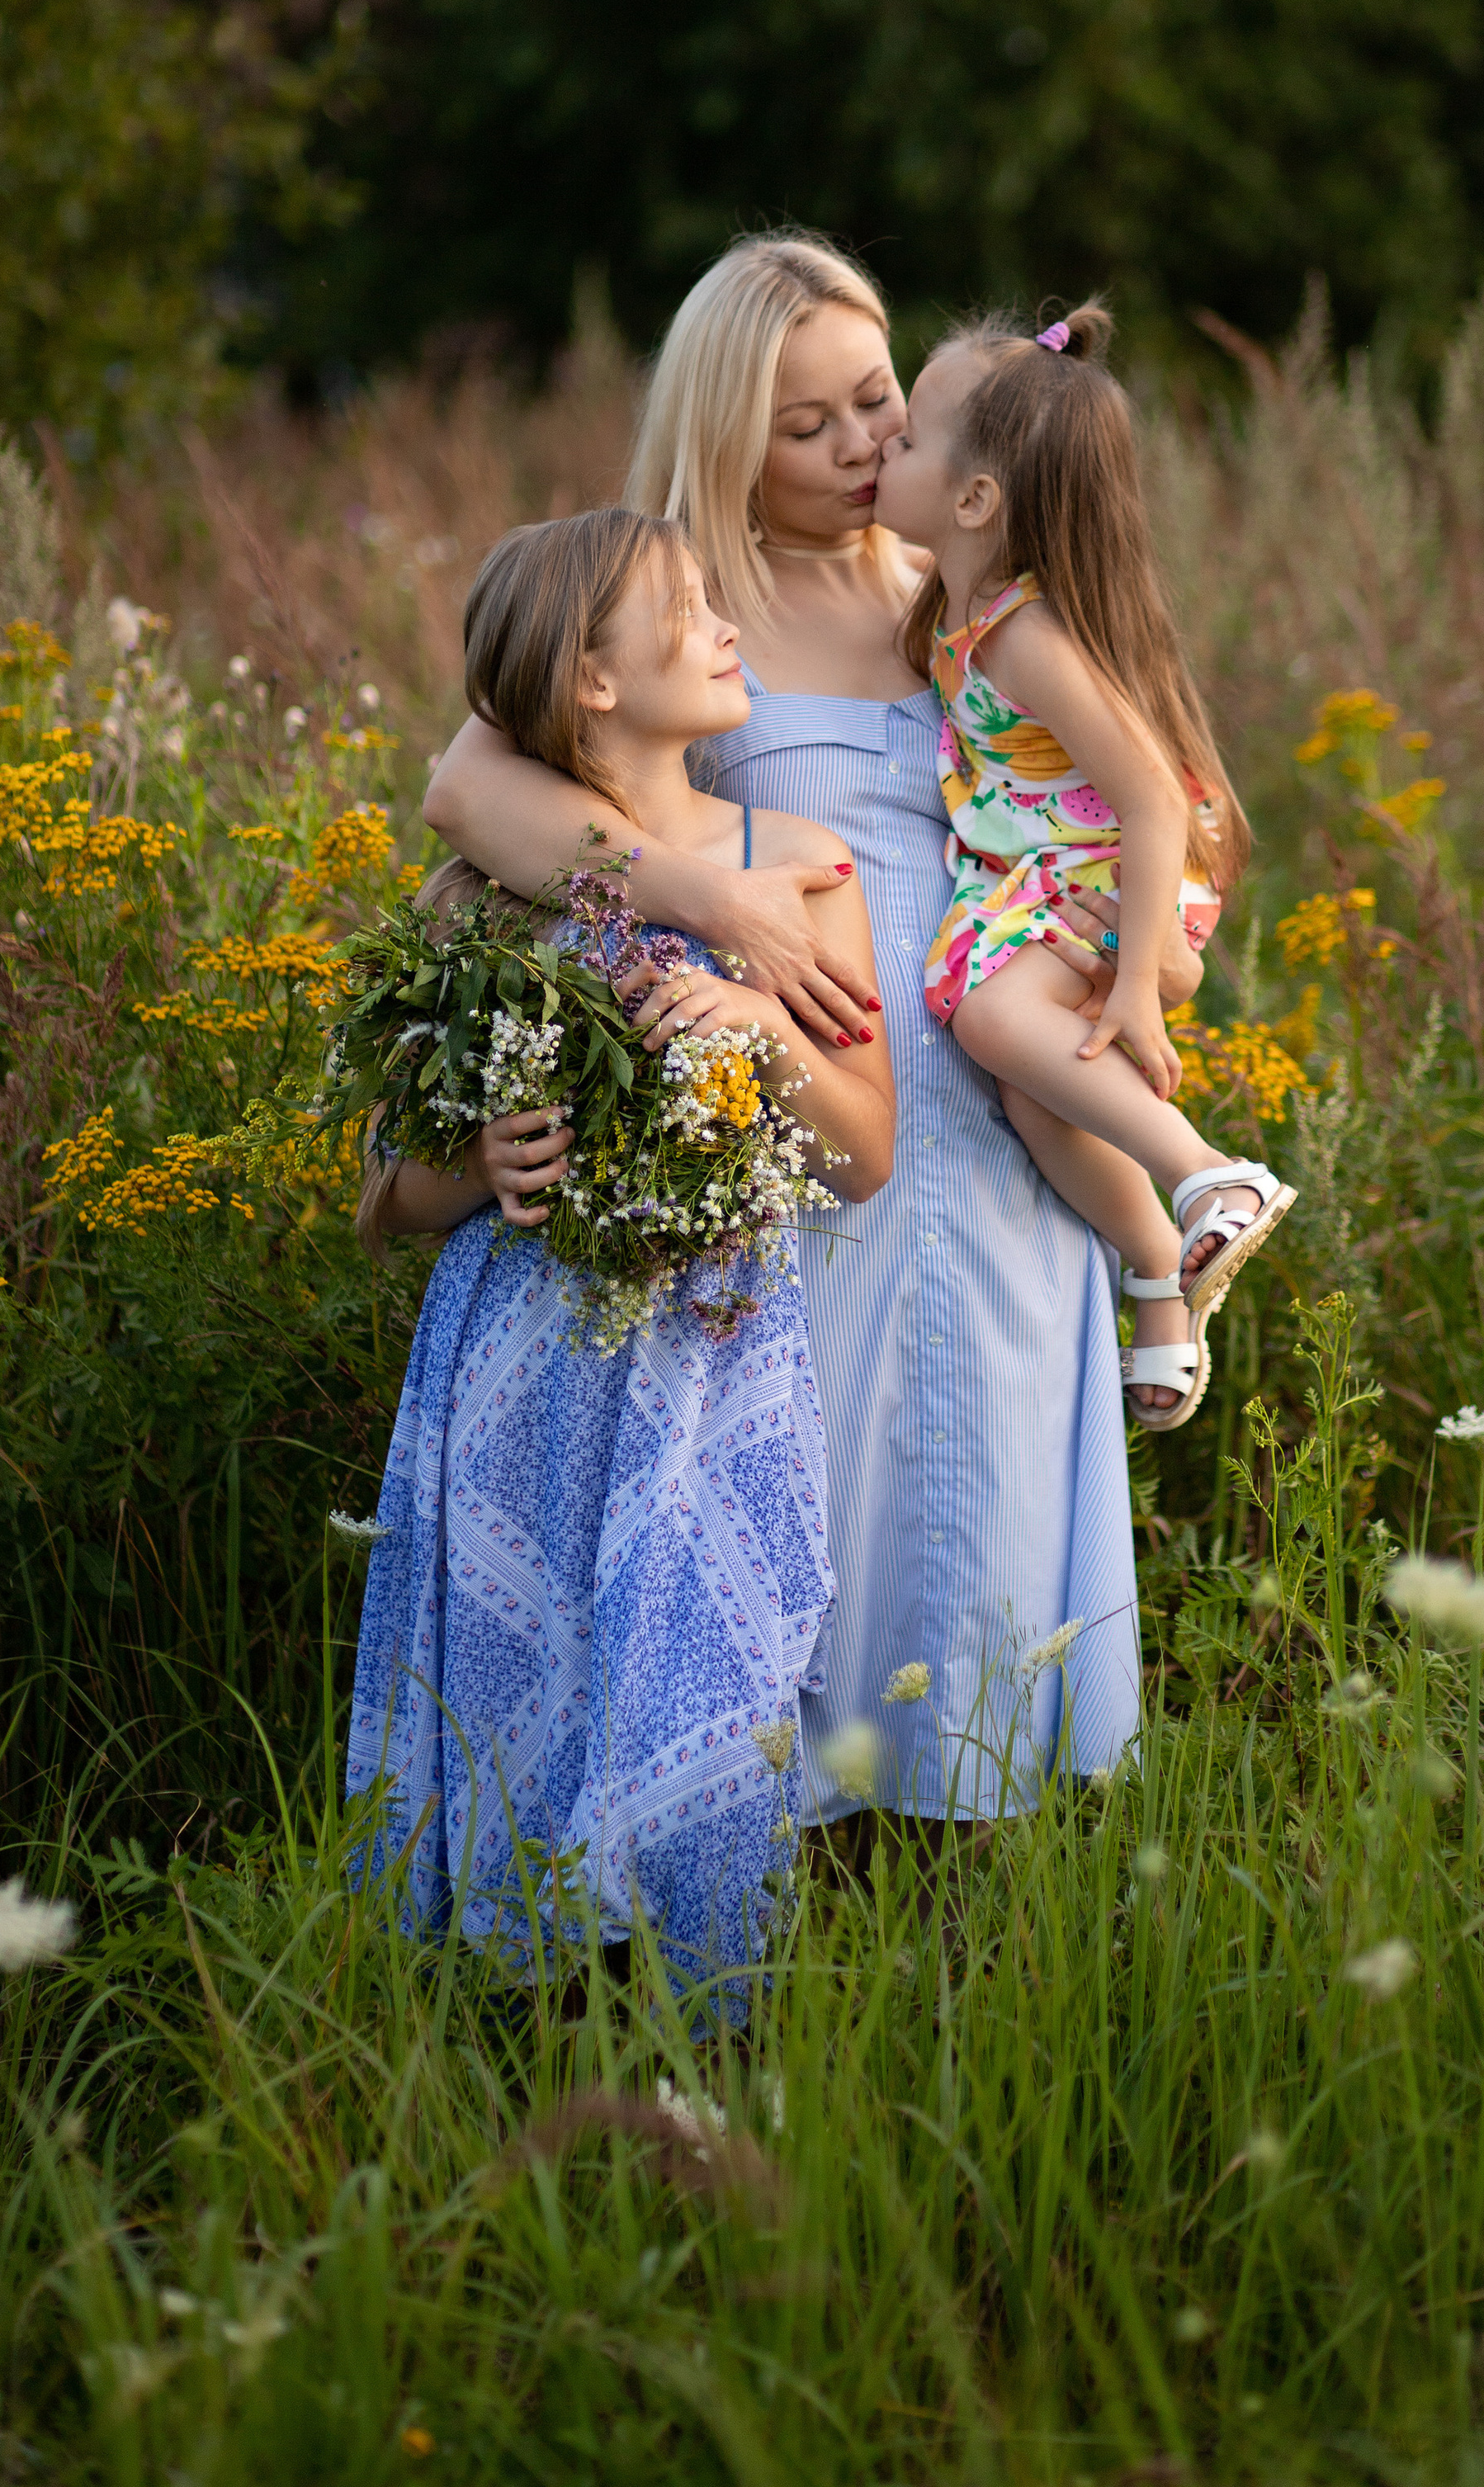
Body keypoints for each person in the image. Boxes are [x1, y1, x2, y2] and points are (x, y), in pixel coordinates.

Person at [423, 234, 1202, 1815]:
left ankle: (966, 1931)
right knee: (810, 1529)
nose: (862, 449)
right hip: (804, 1133)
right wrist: (706, 898)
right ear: (726, 437)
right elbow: (468, 789)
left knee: (971, 1540)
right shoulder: (672, 603)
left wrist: (1145, 949)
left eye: (880, 406)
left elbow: (1146, 776)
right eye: (810, 426)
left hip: (993, 1116)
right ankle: (776, 1899)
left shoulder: (957, 589)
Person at [348, 504, 892, 1995]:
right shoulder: (481, 897)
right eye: (688, 604)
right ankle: (519, 2031)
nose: (727, 625)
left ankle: (708, 2028)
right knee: (529, 1705)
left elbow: (864, 1155)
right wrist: (478, 1164)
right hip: (518, 1373)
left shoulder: (795, 869)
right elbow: (380, 1197)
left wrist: (767, 1026)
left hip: (712, 1360)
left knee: (713, 1687)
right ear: (592, 679)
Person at [872, 303, 1294, 1430]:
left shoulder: (1021, 633)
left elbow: (1156, 795)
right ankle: (1160, 1275)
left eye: (904, 436)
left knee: (985, 1014)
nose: (881, 449)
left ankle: (1210, 1174)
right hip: (1055, 870)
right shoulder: (958, 611)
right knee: (1034, 1082)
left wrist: (1141, 985)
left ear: (973, 501)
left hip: (1113, 865)